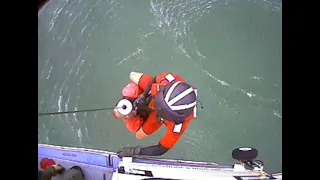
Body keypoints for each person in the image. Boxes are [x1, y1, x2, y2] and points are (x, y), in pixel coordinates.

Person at [113, 72, 198, 157]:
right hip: (155, 94)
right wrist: (143, 96)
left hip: (157, 116)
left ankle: (138, 115)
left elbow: (161, 149)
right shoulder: (167, 79)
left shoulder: (178, 126)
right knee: (132, 75)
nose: (155, 106)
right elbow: (155, 80)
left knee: (138, 135)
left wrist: (134, 151)